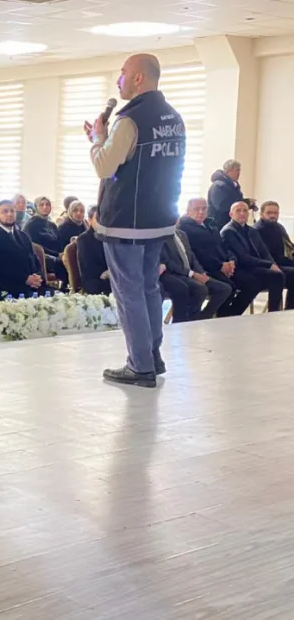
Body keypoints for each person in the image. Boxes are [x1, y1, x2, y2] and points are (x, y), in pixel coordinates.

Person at [87, 53, 185, 387]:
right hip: (159, 219)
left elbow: (105, 166)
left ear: (139, 78)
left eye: (123, 73)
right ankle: (153, 356)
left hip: (126, 220)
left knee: (128, 293)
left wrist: (98, 139)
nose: (119, 80)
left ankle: (139, 365)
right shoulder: (174, 117)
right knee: (148, 288)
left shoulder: (130, 120)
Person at [178, 198, 259, 316]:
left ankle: (230, 315)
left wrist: (231, 261)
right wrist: (220, 266)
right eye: (197, 209)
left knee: (252, 283)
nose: (201, 212)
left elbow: (223, 246)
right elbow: (197, 254)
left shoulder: (211, 225)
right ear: (188, 211)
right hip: (206, 268)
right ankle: (214, 317)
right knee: (229, 287)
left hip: (224, 265)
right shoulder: (185, 228)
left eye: (204, 209)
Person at [221, 201, 294, 312]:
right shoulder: (228, 231)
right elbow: (242, 257)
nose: (242, 213)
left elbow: (264, 252)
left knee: (278, 274)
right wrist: (269, 265)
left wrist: (273, 264)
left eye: (245, 210)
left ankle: (281, 311)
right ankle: (273, 312)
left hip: (255, 265)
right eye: (238, 211)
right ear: (231, 214)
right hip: (241, 268)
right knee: (272, 277)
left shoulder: (251, 230)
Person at [159, 227, 231, 322]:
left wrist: (201, 272)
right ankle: (190, 320)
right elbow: (168, 263)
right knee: (200, 289)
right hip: (177, 274)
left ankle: (202, 318)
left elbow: (192, 256)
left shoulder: (182, 234)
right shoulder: (162, 236)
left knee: (224, 289)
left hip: (192, 272)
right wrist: (192, 274)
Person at [0, 200, 49, 299]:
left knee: (60, 298)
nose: (10, 214)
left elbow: (35, 261)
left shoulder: (24, 236)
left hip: (33, 286)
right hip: (10, 288)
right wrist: (25, 279)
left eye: (12, 211)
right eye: (5, 211)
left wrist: (38, 277)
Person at [77, 206, 113, 295]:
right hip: (94, 280)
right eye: (98, 219)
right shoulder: (83, 239)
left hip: (111, 276)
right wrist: (110, 272)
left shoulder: (109, 236)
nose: (101, 222)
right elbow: (89, 266)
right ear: (89, 221)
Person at [254, 201, 294, 268]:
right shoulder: (256, 230)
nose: (273, 215)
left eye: (275, 213)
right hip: (270, 265)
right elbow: (261, 255)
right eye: (269, 213)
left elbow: (289, 246)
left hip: (284, 260)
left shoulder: (279, 227)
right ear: (261, 214)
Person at [207, 160, 244, 230]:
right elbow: (222, 205)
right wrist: (243, 203)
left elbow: (235, 200)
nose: (239, 173)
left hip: (229, 224)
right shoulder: (218, 186)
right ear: (228, 171)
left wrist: (247, 202)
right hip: (219, 224)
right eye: (237, 170)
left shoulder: (234, 186)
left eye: (239, 170)